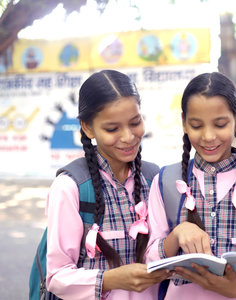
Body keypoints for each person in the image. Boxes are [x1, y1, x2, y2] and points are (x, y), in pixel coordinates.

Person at [146, 72, 236, 299]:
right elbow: (150, 259)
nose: (208, 136)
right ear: (184, 123)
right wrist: (176, 236)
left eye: (220, 124)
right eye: (196, 125)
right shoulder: (165, 182)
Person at [46, 70, 171, 299]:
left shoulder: (156, 179)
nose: (128, 137)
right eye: (112, 129)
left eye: (135, 123)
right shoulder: (70, 187)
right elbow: (56, 277)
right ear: (88, 128)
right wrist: (112, 279)